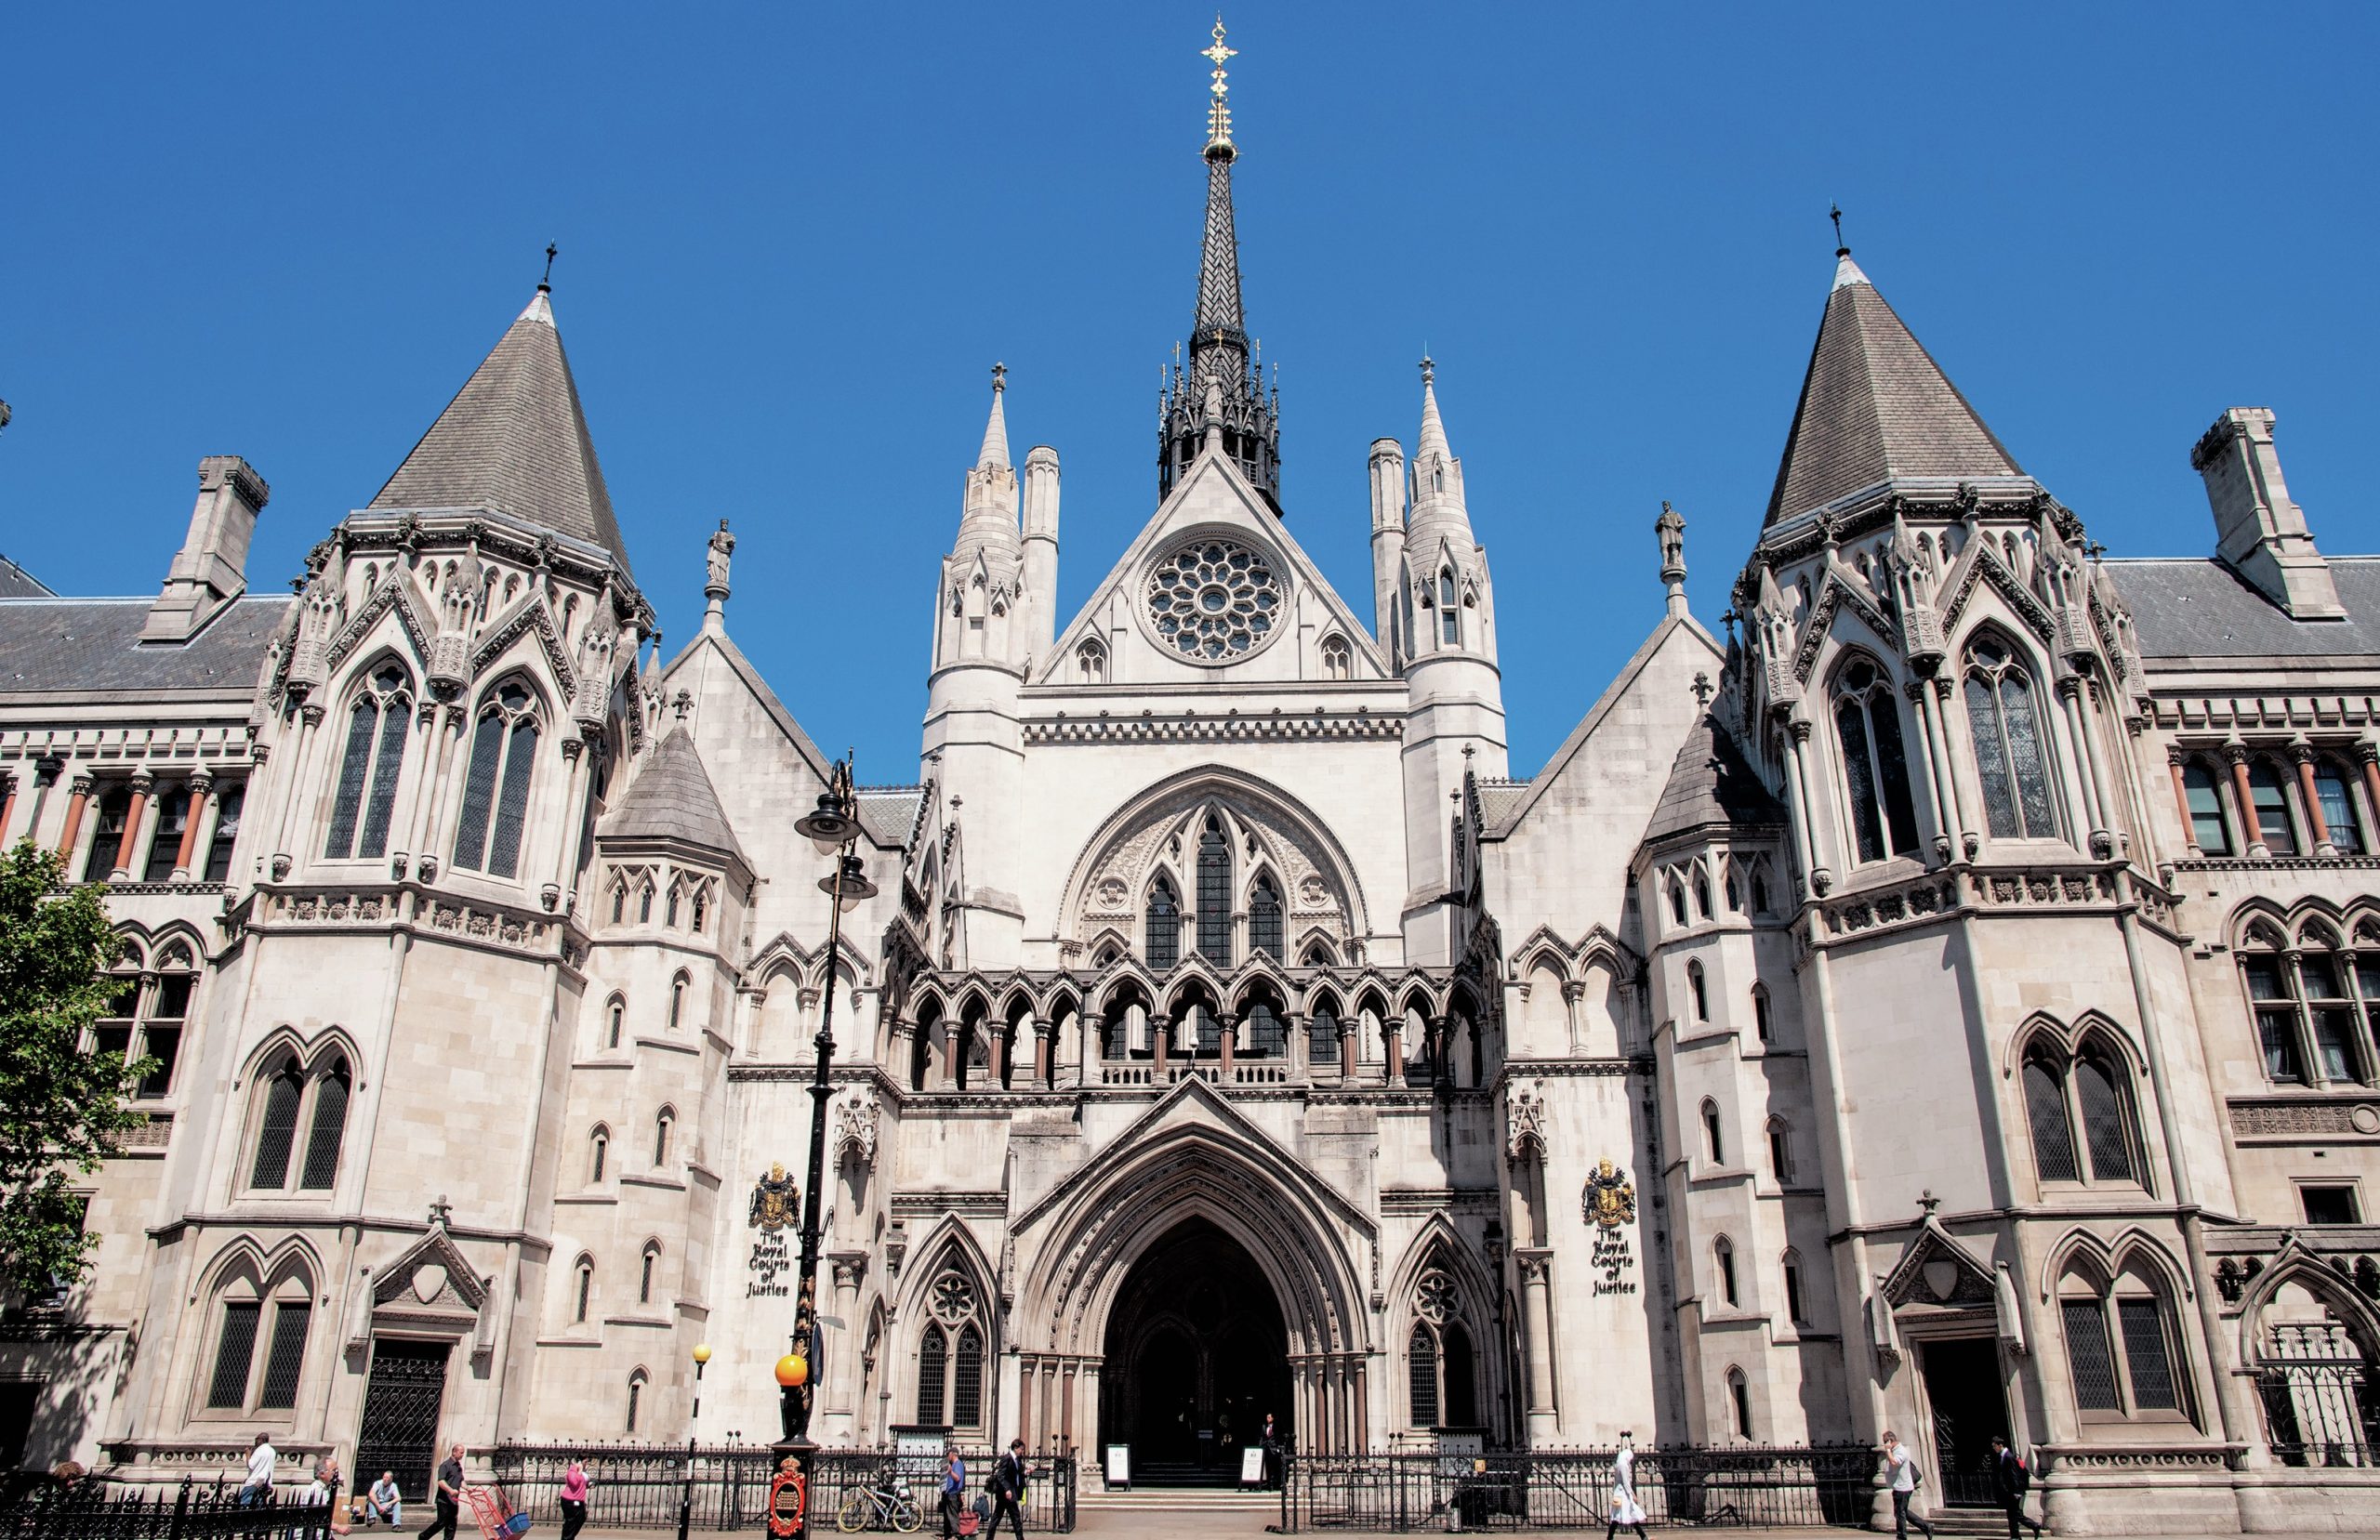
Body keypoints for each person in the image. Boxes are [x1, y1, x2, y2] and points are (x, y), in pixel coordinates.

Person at [1882, 1431, 1934, 1540]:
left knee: (1900, 1513)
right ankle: (1926, 1527)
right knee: (1902, 1512)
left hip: (1902, 1488)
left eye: (1885, 1442)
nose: (1884, 1444)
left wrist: (1887, 1450)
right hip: (1899, 1486)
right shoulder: (1895, 1450)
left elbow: (1894, 1462)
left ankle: (1901, 1536)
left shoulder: (1900, 1451)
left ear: (1890, 1441)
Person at [1990, 1436, 2042, 1540]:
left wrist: (2017, 1492)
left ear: (2000, 1445)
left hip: (2013, 1491)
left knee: (2015, 1514)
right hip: (2009, 1491)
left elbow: (2014, 1475)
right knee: (2012, 1514)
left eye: (1994, 1446)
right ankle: (2015, 1536)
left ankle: (2034, 1526)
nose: (1994, 1448)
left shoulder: (2008, 1457)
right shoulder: (2003, 1456)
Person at [417, 1444, 465, 1540]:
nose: (462, 1455)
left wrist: (468, 1489)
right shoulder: (445, 1465)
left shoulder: (458, 1466)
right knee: (441, 1522)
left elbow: (461, 1480)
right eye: (461, 1452)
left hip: (454, 1501)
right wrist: (450, 1490)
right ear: (454, 1452)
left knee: (452, 1524)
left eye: (463, 1453)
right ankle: (423, 1536)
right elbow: (441, 1482)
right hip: (444, 1500)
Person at [1606, 1430, 1647, 1540]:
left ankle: (1610, 1537)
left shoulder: (1617, 1464)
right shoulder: (1623, 1465)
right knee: (1631, 1512)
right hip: (1623, 1495)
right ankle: (1643, 1536)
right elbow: (1626, 1482)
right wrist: (1632, 1494)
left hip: (1617, 1493)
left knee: (1617, 1516)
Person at [988, 1439, 1027, 1540]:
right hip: (1006, 1494)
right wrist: (1007, 1489)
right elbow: (1001, 1475)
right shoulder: (1007, 1458)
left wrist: (1026, 1473)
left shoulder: (1017, 1459)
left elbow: (1017, 1474)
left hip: (1011, 1494)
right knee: (1011, 1517)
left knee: (1012, 1518)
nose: (1022, 1452)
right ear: (1015, 1448)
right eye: (1021, 1449)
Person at [239, 1432, 277, 1507]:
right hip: (264, 1483)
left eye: (256, 1439)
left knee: (245, 1505)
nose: (255, 1441)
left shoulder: (260, 1450)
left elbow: (251, 1465)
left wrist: (248, 1454)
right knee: (257, 1506)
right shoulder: (272, 1451)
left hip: (254, 1483)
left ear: (261, 1440)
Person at [558, 1457, 590, 1540]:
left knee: (581, 1519)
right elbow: (575, 1483)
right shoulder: (572, 1471)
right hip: (570, 1501)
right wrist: (579, 1471)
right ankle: (567, 1537)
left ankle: (570, 1536)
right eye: (585, 1462)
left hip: (579, 1501)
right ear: (579, 1461)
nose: (587, 1464)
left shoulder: (581, 1473)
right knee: (570, 1522)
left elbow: (580, 1485)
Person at [939, 1443, 966, 1539]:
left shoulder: (958, 1464)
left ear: (953, 1454)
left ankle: (955, 1535)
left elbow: (957, 1478)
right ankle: (947, 1534)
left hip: (953, 1493)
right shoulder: (953, 1464)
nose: (947, 1456)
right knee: (947, 1515)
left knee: (952, 1515)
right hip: (949, 1492)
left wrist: (950, 1472)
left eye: (948, 1454)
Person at [1261, 1413, 1285, 1492]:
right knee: (1267, 1467)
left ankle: (1275, 1483)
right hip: (1266, 1450)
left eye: (1269, 1417)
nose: (1267, 1419)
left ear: (1272, 1418)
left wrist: (1278, 1447)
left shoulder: (1276, 1427)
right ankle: (1269, 1484)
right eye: (1267, 1417)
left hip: (1274, 1450)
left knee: (1275, 1467)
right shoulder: (1264, 1427)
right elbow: (1262, 1438)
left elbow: (1278, 1437)